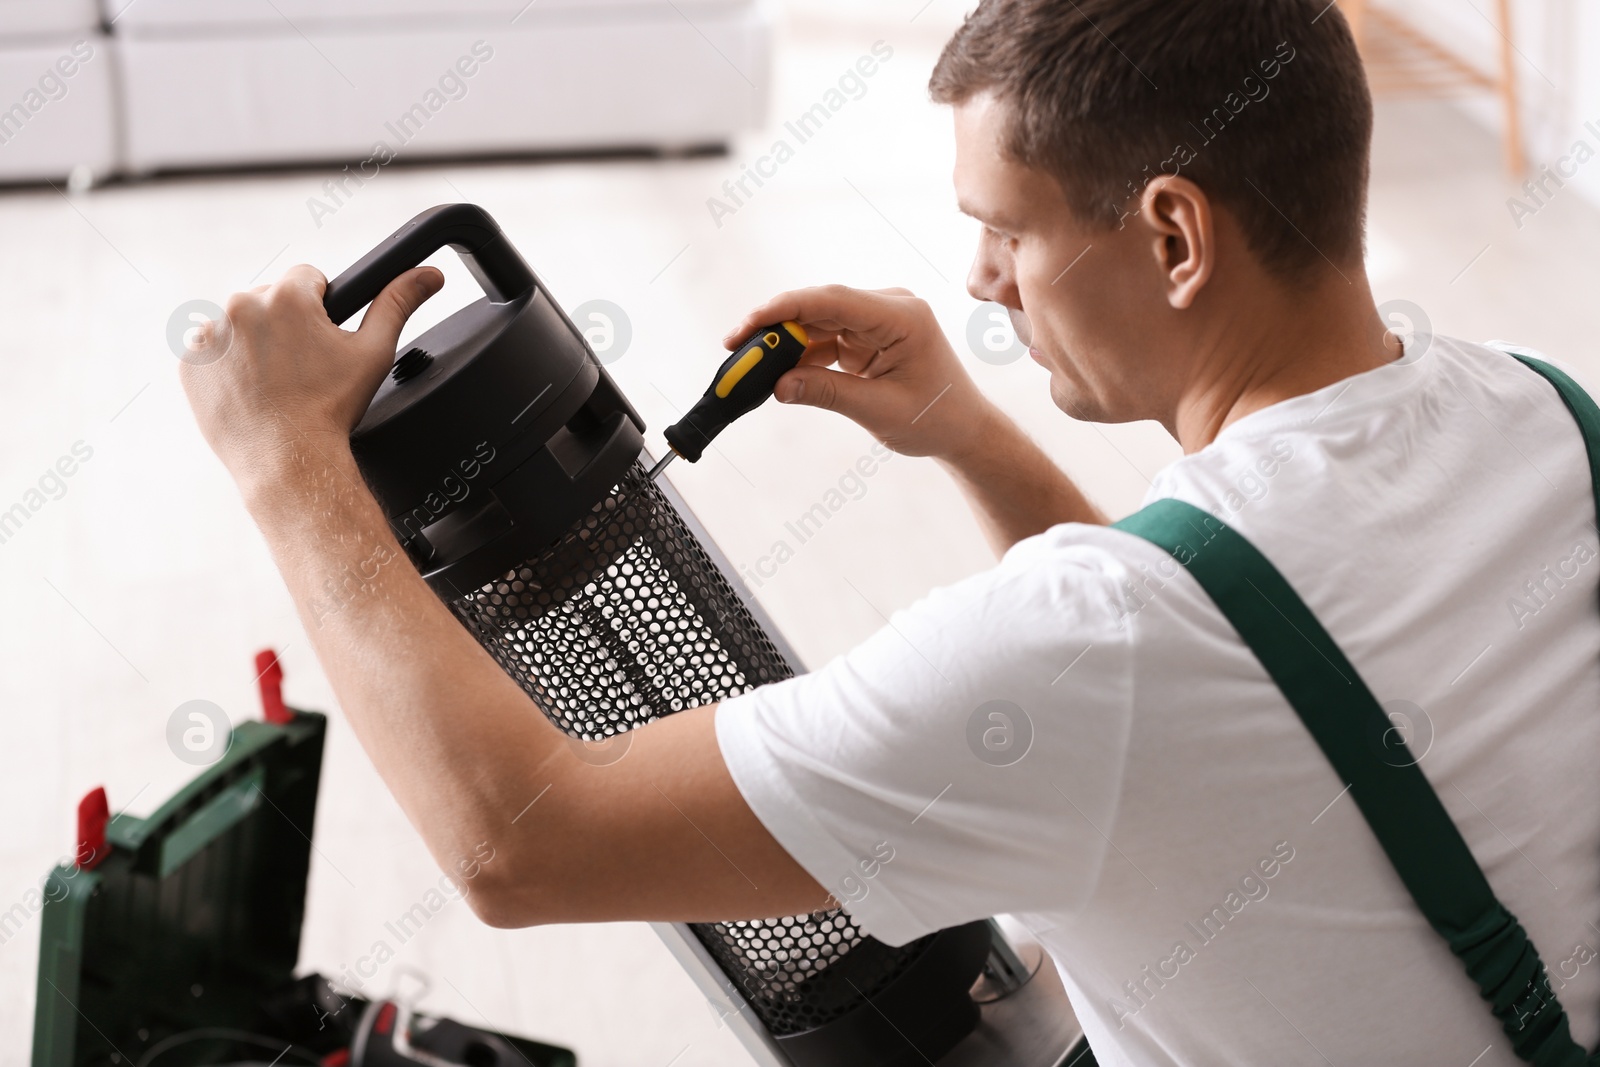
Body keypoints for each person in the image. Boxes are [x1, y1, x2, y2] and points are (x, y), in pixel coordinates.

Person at [179, 0, 1600, 1062]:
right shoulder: (1543, 417)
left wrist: (284, 464)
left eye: (1011, 232)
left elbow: (524, 846)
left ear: (1174, 237)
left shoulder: (1093, 650)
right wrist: (969, 437)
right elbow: (1244, 675)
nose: (981, 285)